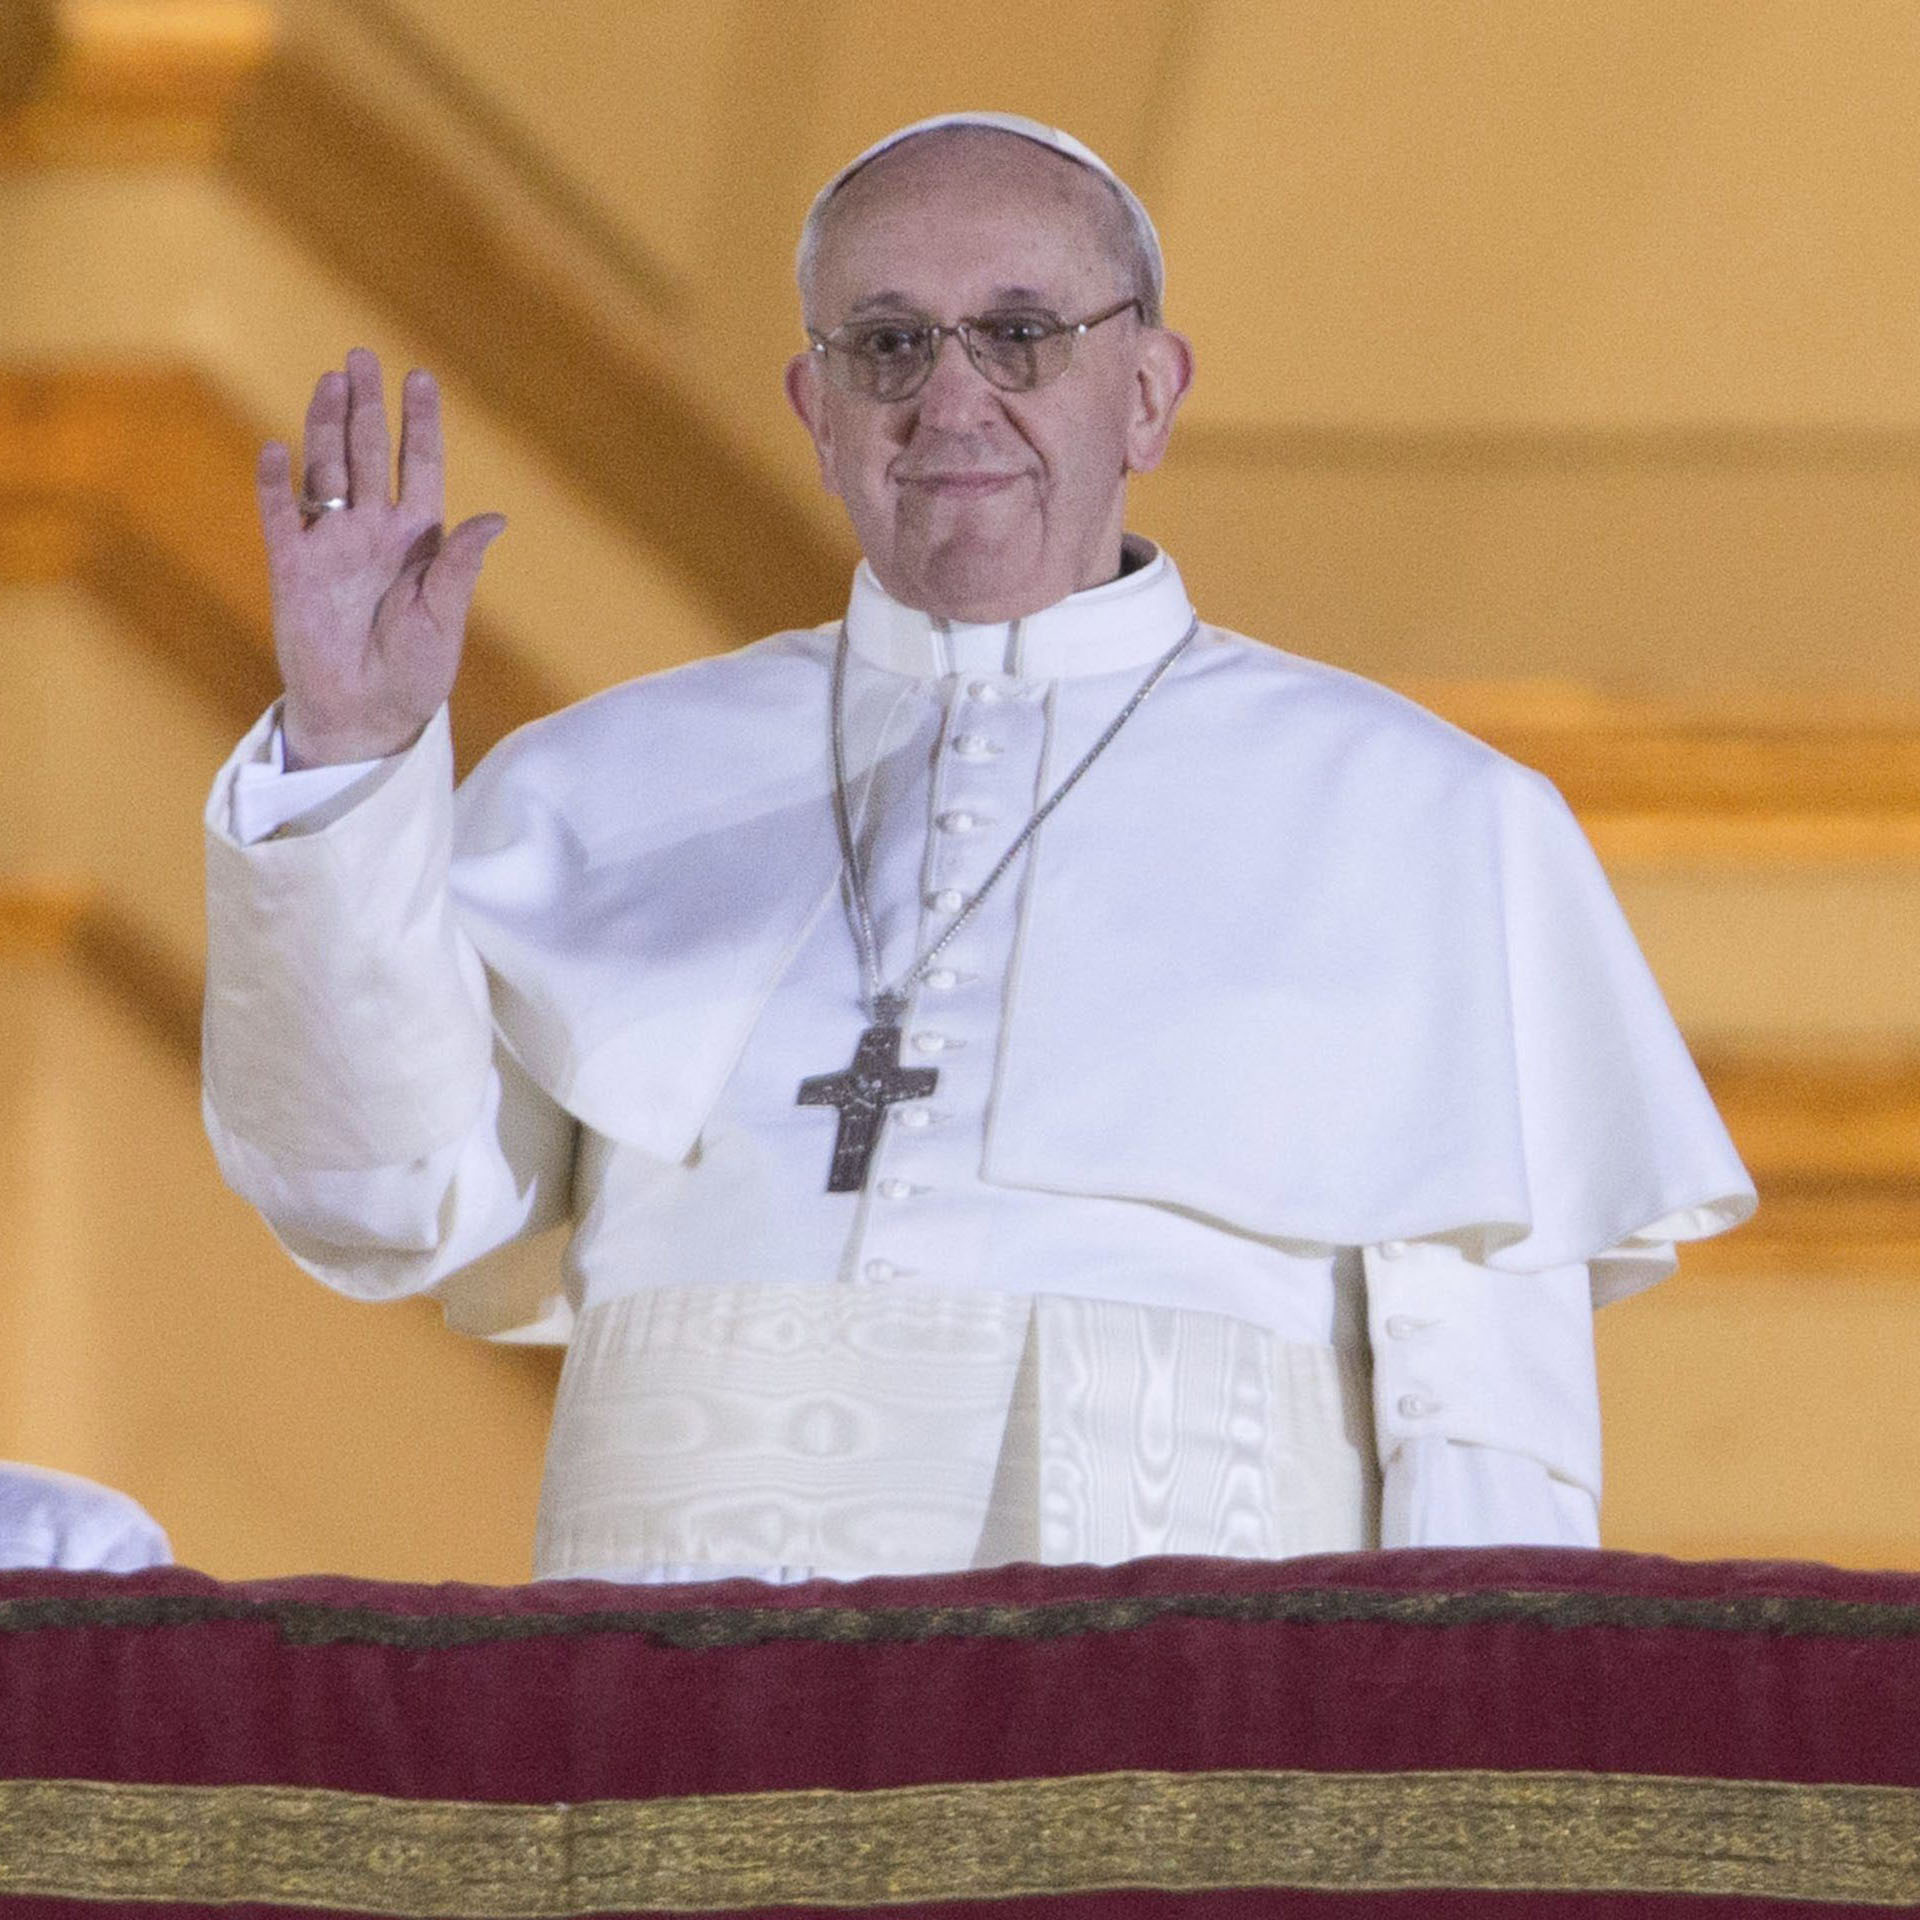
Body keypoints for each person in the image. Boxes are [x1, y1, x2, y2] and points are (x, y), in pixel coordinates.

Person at [203, 113, 1753, 1584]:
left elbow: (1485, 1423)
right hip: (685, 1706)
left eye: (1022, 336)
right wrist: (349, 756)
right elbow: (376, 1201)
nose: (950, 403)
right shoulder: (601, 785)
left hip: (1178, 1734)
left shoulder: (1424, 820)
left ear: (1148, 389)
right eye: (885, 344)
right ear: (815, 413)